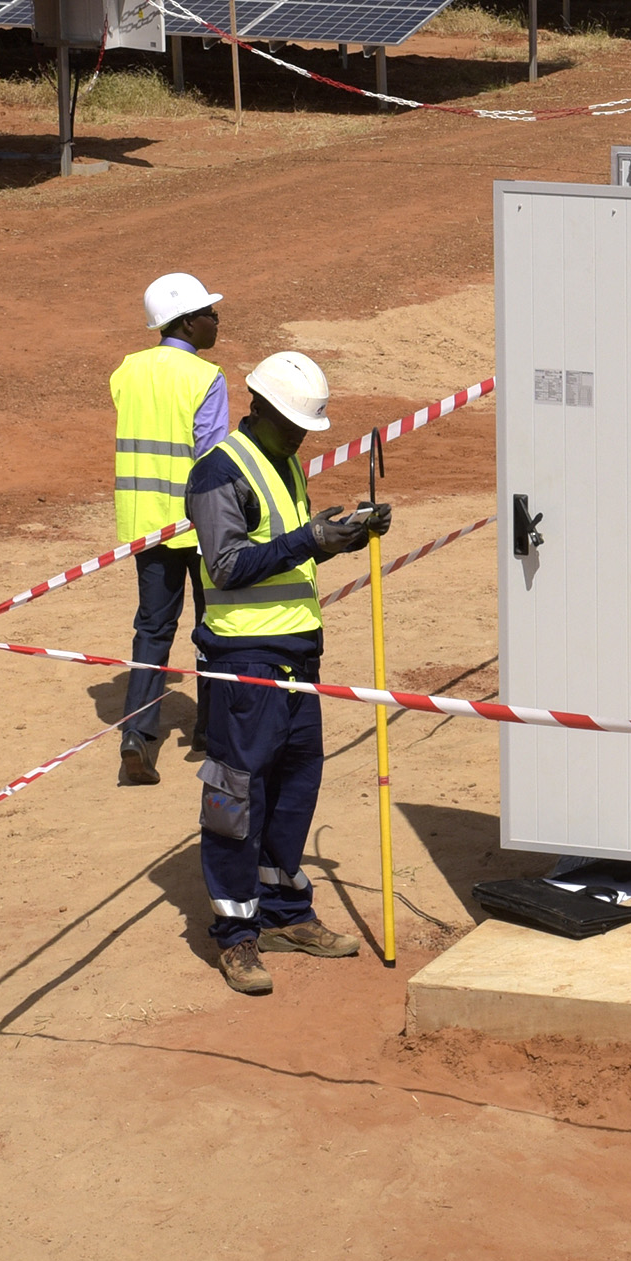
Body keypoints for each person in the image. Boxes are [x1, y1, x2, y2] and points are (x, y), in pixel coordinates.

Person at [187, 350, 390, 995]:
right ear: (263, 408)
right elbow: (227, 565)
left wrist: (342, 536)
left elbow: (286, 560)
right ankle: (236, 935)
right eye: (297, 422)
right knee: (235, 797)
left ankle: (282, 914)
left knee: (296, 787)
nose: (305, 435)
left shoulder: (285, 465)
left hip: (299, 658)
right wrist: (309, 540)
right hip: (243, 663)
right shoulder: (220, 471)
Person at [112, 270, 230, 785]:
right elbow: (212, 460)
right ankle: (211, 729)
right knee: (215, 627)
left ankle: (138, 735)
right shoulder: (207, 378)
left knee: (152, 629)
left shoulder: (127, 371)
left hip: (145, 525)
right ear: (186, 321)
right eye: (210, 314)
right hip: (200, 525)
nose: (216, 321)